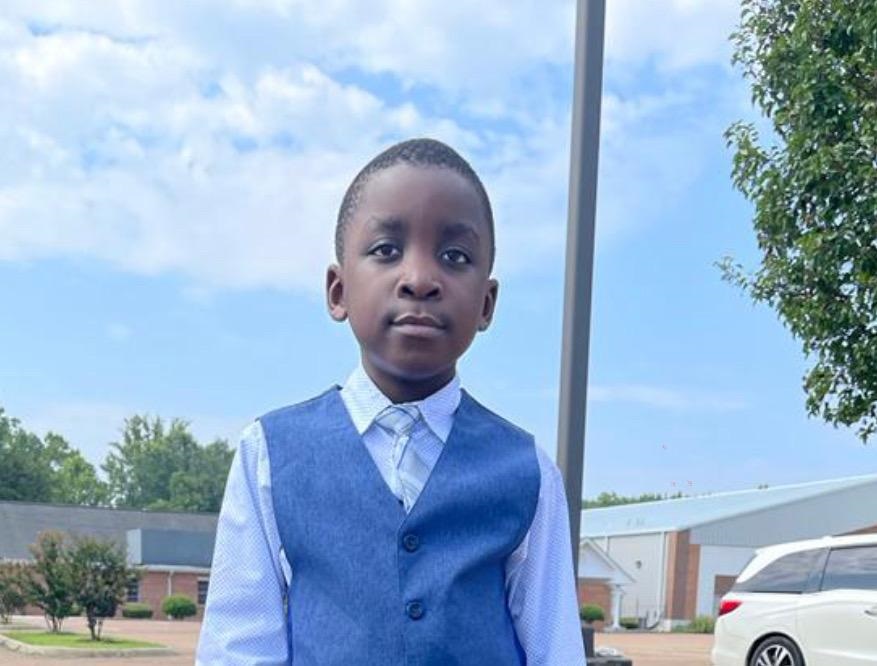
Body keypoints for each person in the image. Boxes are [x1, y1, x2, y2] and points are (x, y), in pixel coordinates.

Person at [196, 138, 585, 665]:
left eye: (455, 256)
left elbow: (556, 652)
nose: (420, 280)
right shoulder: (269, 454)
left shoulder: (527, 470)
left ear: (487, 303)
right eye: (386, 250)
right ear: (338, 290)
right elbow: (238, 648)